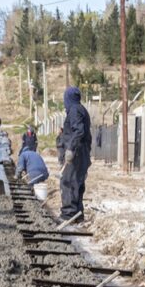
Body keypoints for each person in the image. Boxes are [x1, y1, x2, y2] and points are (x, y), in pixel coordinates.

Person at [59, 86, 92, 223]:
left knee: (68, 181)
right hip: (82, 152)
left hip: (76, 153)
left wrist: (70, 149)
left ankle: (68, 214)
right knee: (78, 183)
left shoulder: (74, 110)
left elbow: (79, 131)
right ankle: (77, 215)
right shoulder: (81, 109)